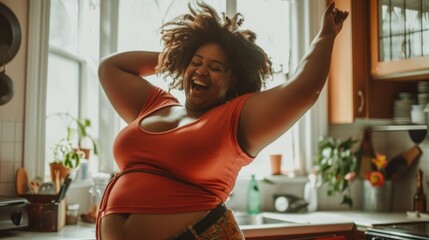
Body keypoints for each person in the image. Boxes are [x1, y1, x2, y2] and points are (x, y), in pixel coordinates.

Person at [96, 1, 348, 239]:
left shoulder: (235, 118)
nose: (202, 70)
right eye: (196, 62)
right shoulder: (156, 104)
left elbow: (303, 90)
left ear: (233, 80)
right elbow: (111, 68)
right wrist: (178, 57)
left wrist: (325, 35)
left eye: (216, 67)